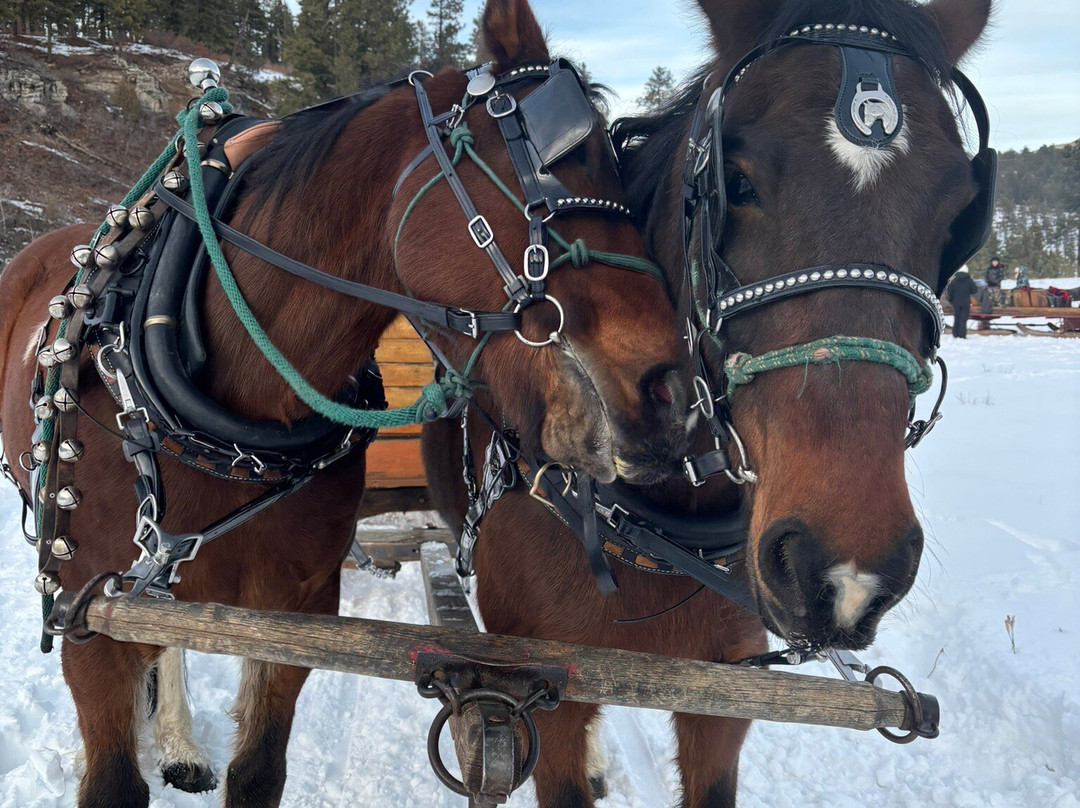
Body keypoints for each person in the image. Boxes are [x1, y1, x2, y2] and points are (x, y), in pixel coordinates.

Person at [946, 268, 979, 338]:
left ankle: (955, 333)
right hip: (966, 302)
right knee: (963, 319)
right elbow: (975, 290)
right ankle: (962, 334)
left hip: (956, 302)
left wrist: (951, 300)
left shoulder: (954, 280)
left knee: (956, 318)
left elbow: (949, 290)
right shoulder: (969, 280)